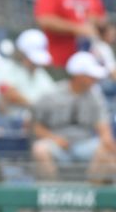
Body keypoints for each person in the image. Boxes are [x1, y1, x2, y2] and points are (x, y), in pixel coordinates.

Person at [31, 51, 116, 181]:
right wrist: (54, 138)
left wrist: (110, 149)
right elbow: (36, 127)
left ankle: (89, 195)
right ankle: (52, 194)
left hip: (84, 145)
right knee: (40, 149)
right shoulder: (51, 94)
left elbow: (104, 131)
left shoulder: (96, 96)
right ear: (78, 76)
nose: (95, 80)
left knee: (105, 152)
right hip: (57, 144)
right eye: (90, 76)